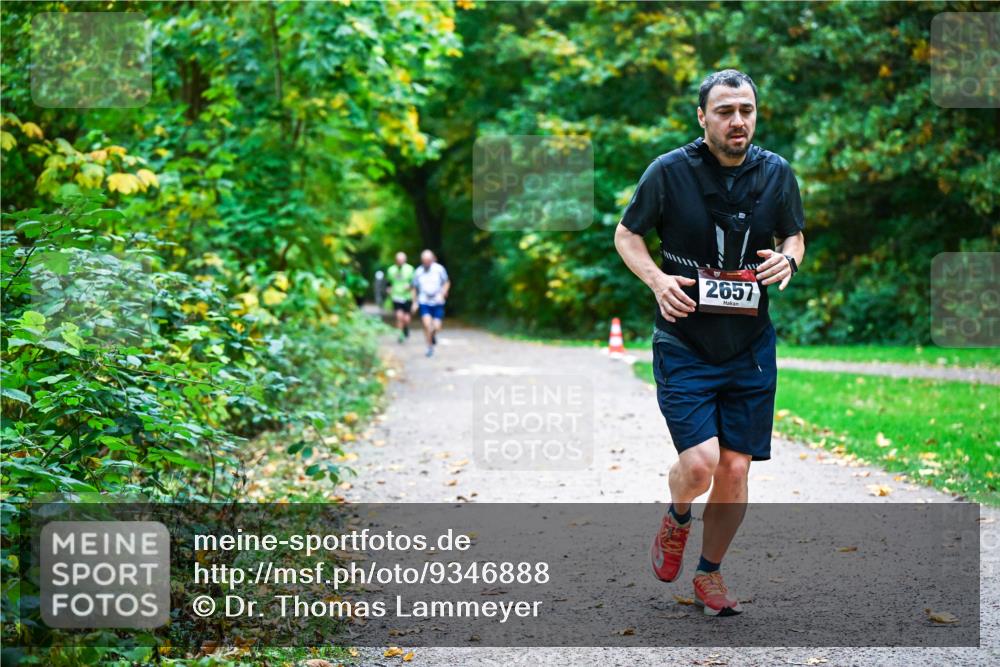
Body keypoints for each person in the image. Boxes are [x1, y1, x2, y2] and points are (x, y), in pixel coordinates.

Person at [614, 69, 806, 617]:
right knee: (700, 465)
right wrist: (658, 282)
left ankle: (709, 574)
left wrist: (789, 259)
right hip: (685, 340)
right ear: (703, 117)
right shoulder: (669, 171)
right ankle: (677, 516)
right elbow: (627, 234)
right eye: (725, 111)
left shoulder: (776, 172)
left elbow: (794, 233)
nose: (737, 121)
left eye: (746, 110)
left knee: (736, 469)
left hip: (749, 345)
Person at [411, 249, 450, 357]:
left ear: (432, 259)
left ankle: (432, 336)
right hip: (424, 301)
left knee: (436, 327)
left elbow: (446, 282)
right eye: (424, 260)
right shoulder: (418, 271)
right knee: (427, 325)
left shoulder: (439, 269)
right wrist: (414, 302)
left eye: (428, 260)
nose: (426, 262)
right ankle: (429, 347)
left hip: (437, 301)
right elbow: (414, 287)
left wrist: (444, 292)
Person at [386, 252, 415, 343]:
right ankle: (400, 334)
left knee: (406, 318)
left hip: (407, 297)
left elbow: (414, 283)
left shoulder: (410, 269)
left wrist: (410, 287)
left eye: (402, 260)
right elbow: (389, 282)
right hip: (396, 296)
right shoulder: (391, 270)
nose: (400, 262)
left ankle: (406, 328)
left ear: (405, 260)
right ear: (396, 260)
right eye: (398, 260)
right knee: (399, 316)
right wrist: (389, 289)